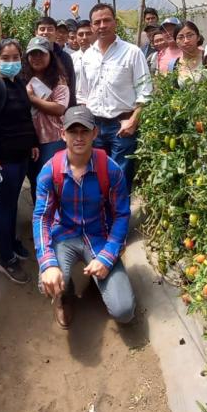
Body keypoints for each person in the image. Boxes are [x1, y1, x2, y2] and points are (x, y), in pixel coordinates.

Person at [34, 106, 135, 328]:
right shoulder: (50, 171)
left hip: (99, 236)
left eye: (84, 131)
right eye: (73, 131)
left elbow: (121, 214)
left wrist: (107, 256)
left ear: (95, 133)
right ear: (63, 134)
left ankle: (99, 276)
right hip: (65, 235)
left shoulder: (110, 169)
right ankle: (64, 296)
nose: (78, 138)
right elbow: (42, 218)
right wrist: (48, 263)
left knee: (124, 311)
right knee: (47, 282)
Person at [0, 38, 40, 283]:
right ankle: (5, 259)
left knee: (12, 204)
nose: (12, 62)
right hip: (3, 160)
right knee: (5, 205)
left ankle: (10, 243)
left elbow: (25, 116)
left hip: (21, 155)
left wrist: (32, 141)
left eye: (16, 58)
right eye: (6, 58)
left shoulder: (18, 83)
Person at [75, 3, 152, 188]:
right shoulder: (87, 57)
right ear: (92, 26)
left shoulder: (132, 52)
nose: (102, 26)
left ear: (115, 22)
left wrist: (133, 120)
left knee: (121, 177)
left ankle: (118, 216)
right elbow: (82, 94)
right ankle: (100, 215)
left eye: (106, 20)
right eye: (97, 22)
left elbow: (146, 91)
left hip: (122, 125)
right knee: (95, 175)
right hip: (95, 125)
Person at [22, 37, 69, 202]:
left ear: (50, 55)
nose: (37, 58)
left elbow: (59, 108)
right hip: (29, 138)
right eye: (33, 54)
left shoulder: (58, 80)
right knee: (35, 179)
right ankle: (40, 216)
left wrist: (33, 99)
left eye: (41, 54)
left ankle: (54, 217)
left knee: (49, 179)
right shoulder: (22, 78)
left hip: (52, 138)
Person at [35, 16, 77, 106]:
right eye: (42, 29)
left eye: (50, 29)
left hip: (59, 111)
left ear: (55, 33)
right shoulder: (29, 56)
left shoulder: (65, 58)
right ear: (36, 33)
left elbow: (71, 88)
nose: (45, 32)